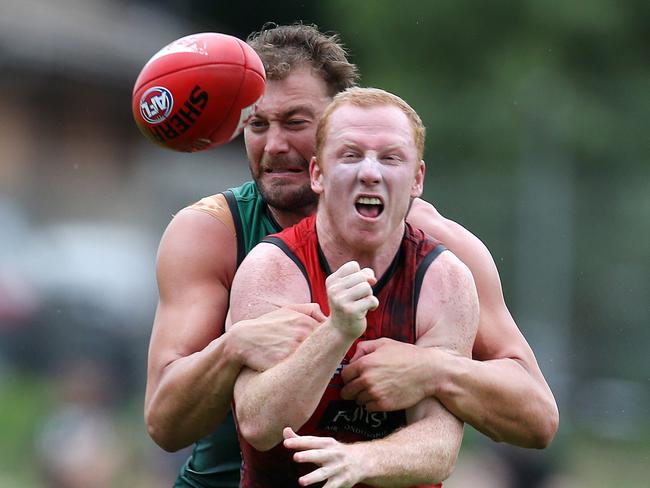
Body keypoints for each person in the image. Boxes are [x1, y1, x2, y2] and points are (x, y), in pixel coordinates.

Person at [144, 23, 558, 488]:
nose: (274, 145)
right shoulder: (212, 232)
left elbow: (536, 418)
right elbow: (165, 425)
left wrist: (434, 369)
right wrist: (233, 347)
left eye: (296, 122)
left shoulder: (438, 251)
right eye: (258, 124)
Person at [228, 86, 479, 487]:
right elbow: (259, 424)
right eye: (350, 155)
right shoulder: (272, 267)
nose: (370, 172)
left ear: (417, 179)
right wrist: (336, 331)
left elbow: (440, 445)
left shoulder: (445, 279)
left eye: (390, 158)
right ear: (317, 174)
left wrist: (360, 461)